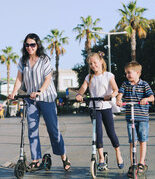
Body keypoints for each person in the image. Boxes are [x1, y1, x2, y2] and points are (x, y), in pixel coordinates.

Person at [8, 33, 71, 171]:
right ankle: (36, 160)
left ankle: (64, 156)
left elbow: (48, 79)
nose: (29, 47)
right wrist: (14, 92)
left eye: (32, 45)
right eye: (27, 45)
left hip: (46, 97)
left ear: (37, 45)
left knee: (53, 130)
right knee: (32, 130)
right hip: (30, 100)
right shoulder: (23, 60)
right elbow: (19, 79)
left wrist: (39, 91)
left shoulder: (44, 59)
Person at [76, 51, 124, 171]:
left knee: (111, 133)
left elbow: (116, 89)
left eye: (95, 62)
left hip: (106, 107)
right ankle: (101, 158)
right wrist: (79, 94)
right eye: (91, 64)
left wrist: (111, 95)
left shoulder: (108, 75)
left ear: (101, 61)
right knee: (97, 134)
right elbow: (83, 87)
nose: (93, 65)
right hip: (94, 107)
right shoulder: (89, 77)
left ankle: (118, 153)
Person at [116, 61, 154, 177]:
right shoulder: (125, 85)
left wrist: (145, 99)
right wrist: (119, 99)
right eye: (126, 73)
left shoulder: (144, 84)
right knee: (133, 141)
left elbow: (152, 97)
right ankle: (133, 164)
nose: (127, 75)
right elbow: (120, 93)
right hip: (130, 118)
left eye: (129, 73)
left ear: (137, 73)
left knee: (142, 140)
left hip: (142, 117)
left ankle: (141, 162)